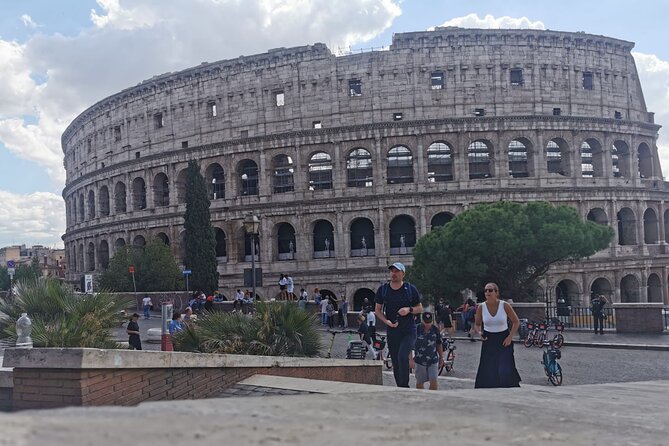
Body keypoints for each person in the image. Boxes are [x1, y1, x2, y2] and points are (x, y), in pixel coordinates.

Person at [375, 262, 423, 388]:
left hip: (408, 330)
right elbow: (378, 310)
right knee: (395, 361)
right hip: (392, 330)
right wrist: (386, 322)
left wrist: (409, 310)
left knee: (402, 356)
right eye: (392, 271)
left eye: (397, 271)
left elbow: (420, 308)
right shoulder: (383, 289)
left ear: (403, 274)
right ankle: (400, 386)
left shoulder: (410, 289)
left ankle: (405, 385)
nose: (394, 273)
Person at [473, 283, 521, 388]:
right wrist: (479, 332)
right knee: (488, 367)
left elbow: (516, 322)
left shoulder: (504, 305)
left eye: (490, 290)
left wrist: (510, 337)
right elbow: (477, 324)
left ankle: (508, 388)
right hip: (488, 338)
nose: (487, 293)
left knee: (505, 367)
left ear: (496, 292)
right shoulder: (481, 307)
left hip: (503, 338)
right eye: (485, 290)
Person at [409, 312, 444, 390]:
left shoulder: (435, 329)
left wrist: (441, 357)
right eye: (426, 322)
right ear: (422, 320)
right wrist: (410, 359)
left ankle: (432, 397)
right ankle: (421, 397)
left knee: (434, 380)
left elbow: (439, 344)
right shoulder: (416, 329)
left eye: (429, 322)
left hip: (433, 359)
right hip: (419, 360)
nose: (428, 324)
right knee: (420, 381)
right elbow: (410, 345)